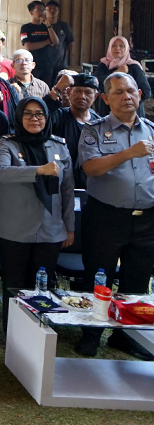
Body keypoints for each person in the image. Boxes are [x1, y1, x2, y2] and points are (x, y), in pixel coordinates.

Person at [75, 73, 154, 360]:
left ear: (139, 95)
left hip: (146, 219)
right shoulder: (93, 130)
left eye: (131, 91)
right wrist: (129, 153)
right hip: (106, 217)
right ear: (106, 99)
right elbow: (91, 168)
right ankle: (91, 334)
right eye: (119, 92)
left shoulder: (151, 130)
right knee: (99, 276)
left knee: (137, 279)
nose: (126, 97)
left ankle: (126, 335)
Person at [0, 97, 73, 332]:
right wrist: (39, 170)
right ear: (19, 117)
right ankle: (13, 334)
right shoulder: (8, 143)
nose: (34, 118)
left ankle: (38, 333)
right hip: (14, 229)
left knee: (41, 287)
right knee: (14, 285)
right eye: (27, 113)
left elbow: (67, 190)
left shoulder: (59, 146)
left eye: (39, 114)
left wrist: (69, 227)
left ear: (47, 117)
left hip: (50, 229)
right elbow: (1, 172)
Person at [45, 72, 100, 189]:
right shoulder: (58, 117)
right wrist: (57, 89)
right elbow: (42, 114)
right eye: (78, 91)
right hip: (60, 183)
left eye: (88, 92)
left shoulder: (99, 124)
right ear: (69, 92)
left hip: (91, 186)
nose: (82, 96)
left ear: (95, 97)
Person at [93, 36, 151, 116]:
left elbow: (146, 91)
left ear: (127, 48)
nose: (117, 48)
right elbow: (96, 83)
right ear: (109, 48)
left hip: (132, 115)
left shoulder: (134, 66)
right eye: (114, 45)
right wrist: (117, 72)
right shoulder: (104, 65)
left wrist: (126, 102)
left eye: (121, 46)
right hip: (107, 114)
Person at [19, 0, 59, 86]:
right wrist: (47, 41)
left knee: (46, 88)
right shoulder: (26, 27)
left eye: (44, 10)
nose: (42, 12)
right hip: (33, 65)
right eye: (39, 10)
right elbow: (29, 46)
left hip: (48, 64)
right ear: (31, 13)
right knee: (33, 87)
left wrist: (48, 25)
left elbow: (56, 41)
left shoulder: (47, 26)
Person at [45, 0, 75, 75]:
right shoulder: (41, 25)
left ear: (58, 11)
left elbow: (70, 42)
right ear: (45, 11)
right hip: (44, 64)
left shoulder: (64, 25)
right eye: (49, 9)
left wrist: (60, 49)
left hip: (60, 64)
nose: (52, 11)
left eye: (54, 9)